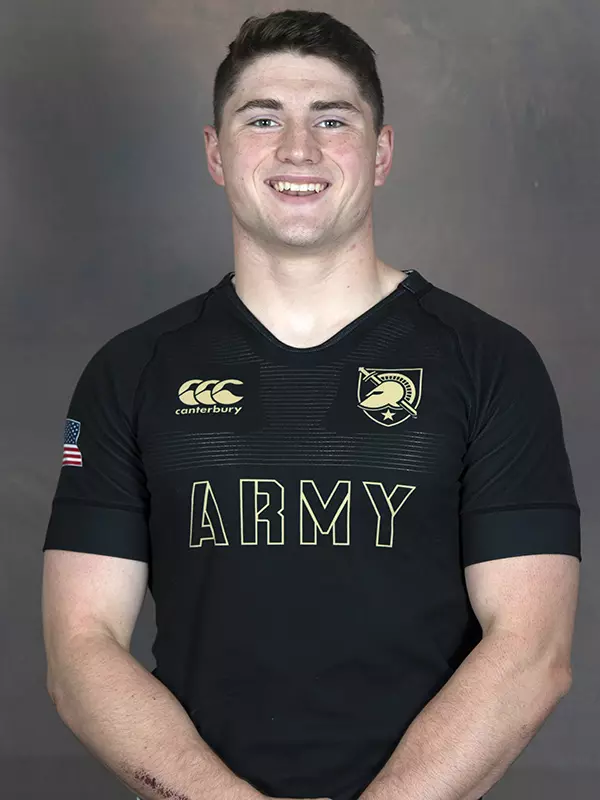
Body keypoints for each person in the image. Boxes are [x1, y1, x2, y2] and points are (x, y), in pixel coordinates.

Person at [42, 9, 581, 800]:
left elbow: (533, 649)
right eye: (263, 119)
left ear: (381, 152)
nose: (299, 149)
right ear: (216, 153)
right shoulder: (131, 372)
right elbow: (80, 650)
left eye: (332, 119)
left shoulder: (490, 362)